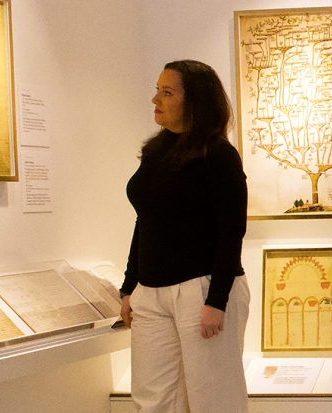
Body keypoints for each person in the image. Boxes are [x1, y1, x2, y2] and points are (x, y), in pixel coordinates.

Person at [118, 60, 251, 413]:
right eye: (157, 90)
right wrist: (130, 287)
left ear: (195, 101)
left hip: (202, 290)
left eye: (166, 92)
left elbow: (232, 230)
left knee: (215, 400)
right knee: (153, 401)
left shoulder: (219, 155)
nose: (155, 100)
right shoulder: (155, 152)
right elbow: (145, 221)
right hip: (151, 292)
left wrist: (217, 300)